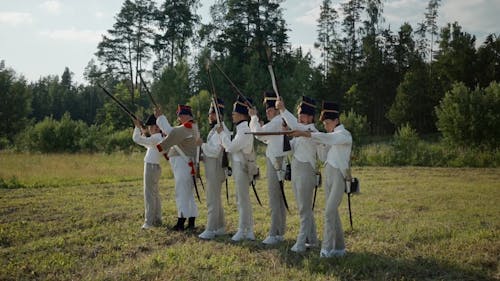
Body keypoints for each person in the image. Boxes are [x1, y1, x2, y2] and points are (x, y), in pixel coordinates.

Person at [290, 101, 352, 258]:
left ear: (336, 121)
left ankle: (326, 249)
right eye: (324, 123)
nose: (326, 126)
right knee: (333, 213)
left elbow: (328, 138)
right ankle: (339, 248)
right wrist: (318, 143)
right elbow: (324, 154)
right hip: (328, 175)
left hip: (339, 176)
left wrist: (306, 134)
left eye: (328, 123)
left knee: (329, 212)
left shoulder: (344, 135)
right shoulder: (330, 136)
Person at [276, 96, 319, 252]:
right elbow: (290, 148)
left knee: (304, 208)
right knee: (304, 207)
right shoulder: (300, 131)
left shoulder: (312, 131)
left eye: (304, 115)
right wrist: (285, 133)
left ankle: (301, 242)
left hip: (306, 171)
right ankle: (312, 240)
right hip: (296, 170)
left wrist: (282, 110)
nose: (301, 117)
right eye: (300, 114)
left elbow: (295, 126)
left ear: (311, 117)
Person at [249, 91, 288, 245]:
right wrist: (256, 121)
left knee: (274, 198)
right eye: (266, 110)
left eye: (270, 109)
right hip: (276, 160)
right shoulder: (277, 122)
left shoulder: (277, 121)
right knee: (278, 198)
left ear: (277, 110)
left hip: (276, 162)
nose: (268, 112)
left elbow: (258, 133)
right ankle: (279, 232)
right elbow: (265, 137)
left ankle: (274, 233)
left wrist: (253, 118)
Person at [217, 96, 255, 242]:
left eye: (234, 113)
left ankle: (243, 230)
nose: (232, 115)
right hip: (239, 166)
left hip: (242, 167)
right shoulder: (241, 129)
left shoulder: (244, 130)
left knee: (242, 200)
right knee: (242, 199)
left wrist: (221, 133)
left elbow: (231, 147)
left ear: (242, 115)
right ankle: (248, 230)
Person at [156, 105, 200, 232]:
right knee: (188, 194)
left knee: (181, 193)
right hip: (187, 164)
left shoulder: (187, 127)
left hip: (183, 164)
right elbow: (173, 132)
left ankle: (181, 221)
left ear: (187, 116)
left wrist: (160, 117)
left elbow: (171, 132)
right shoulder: (192, 127)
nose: (179, 118)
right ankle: (191, 220)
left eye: (181, 115)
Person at [198, 98, 228, 240]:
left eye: (212, 113)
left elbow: (216, 151)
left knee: (212, 199)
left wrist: (202, 145)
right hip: (212, 166)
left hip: (215, 168)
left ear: (218, 115)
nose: (209, 116)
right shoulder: (216, 129)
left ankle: (210, 229)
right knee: (216, 198)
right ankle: (220, 227)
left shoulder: (220, 130)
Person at [132, 115, 164, 230]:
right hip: (154, 166)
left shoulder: (155, 138)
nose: (150, 128)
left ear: (155, 127)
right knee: (154, 194)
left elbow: (136, 139)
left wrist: (136, 127)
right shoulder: (157, 138)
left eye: (151, 126)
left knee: (149, 194)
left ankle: (149, 222)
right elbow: (146, 145)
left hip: (151, 166)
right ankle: (157, 218)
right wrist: (143, 131)